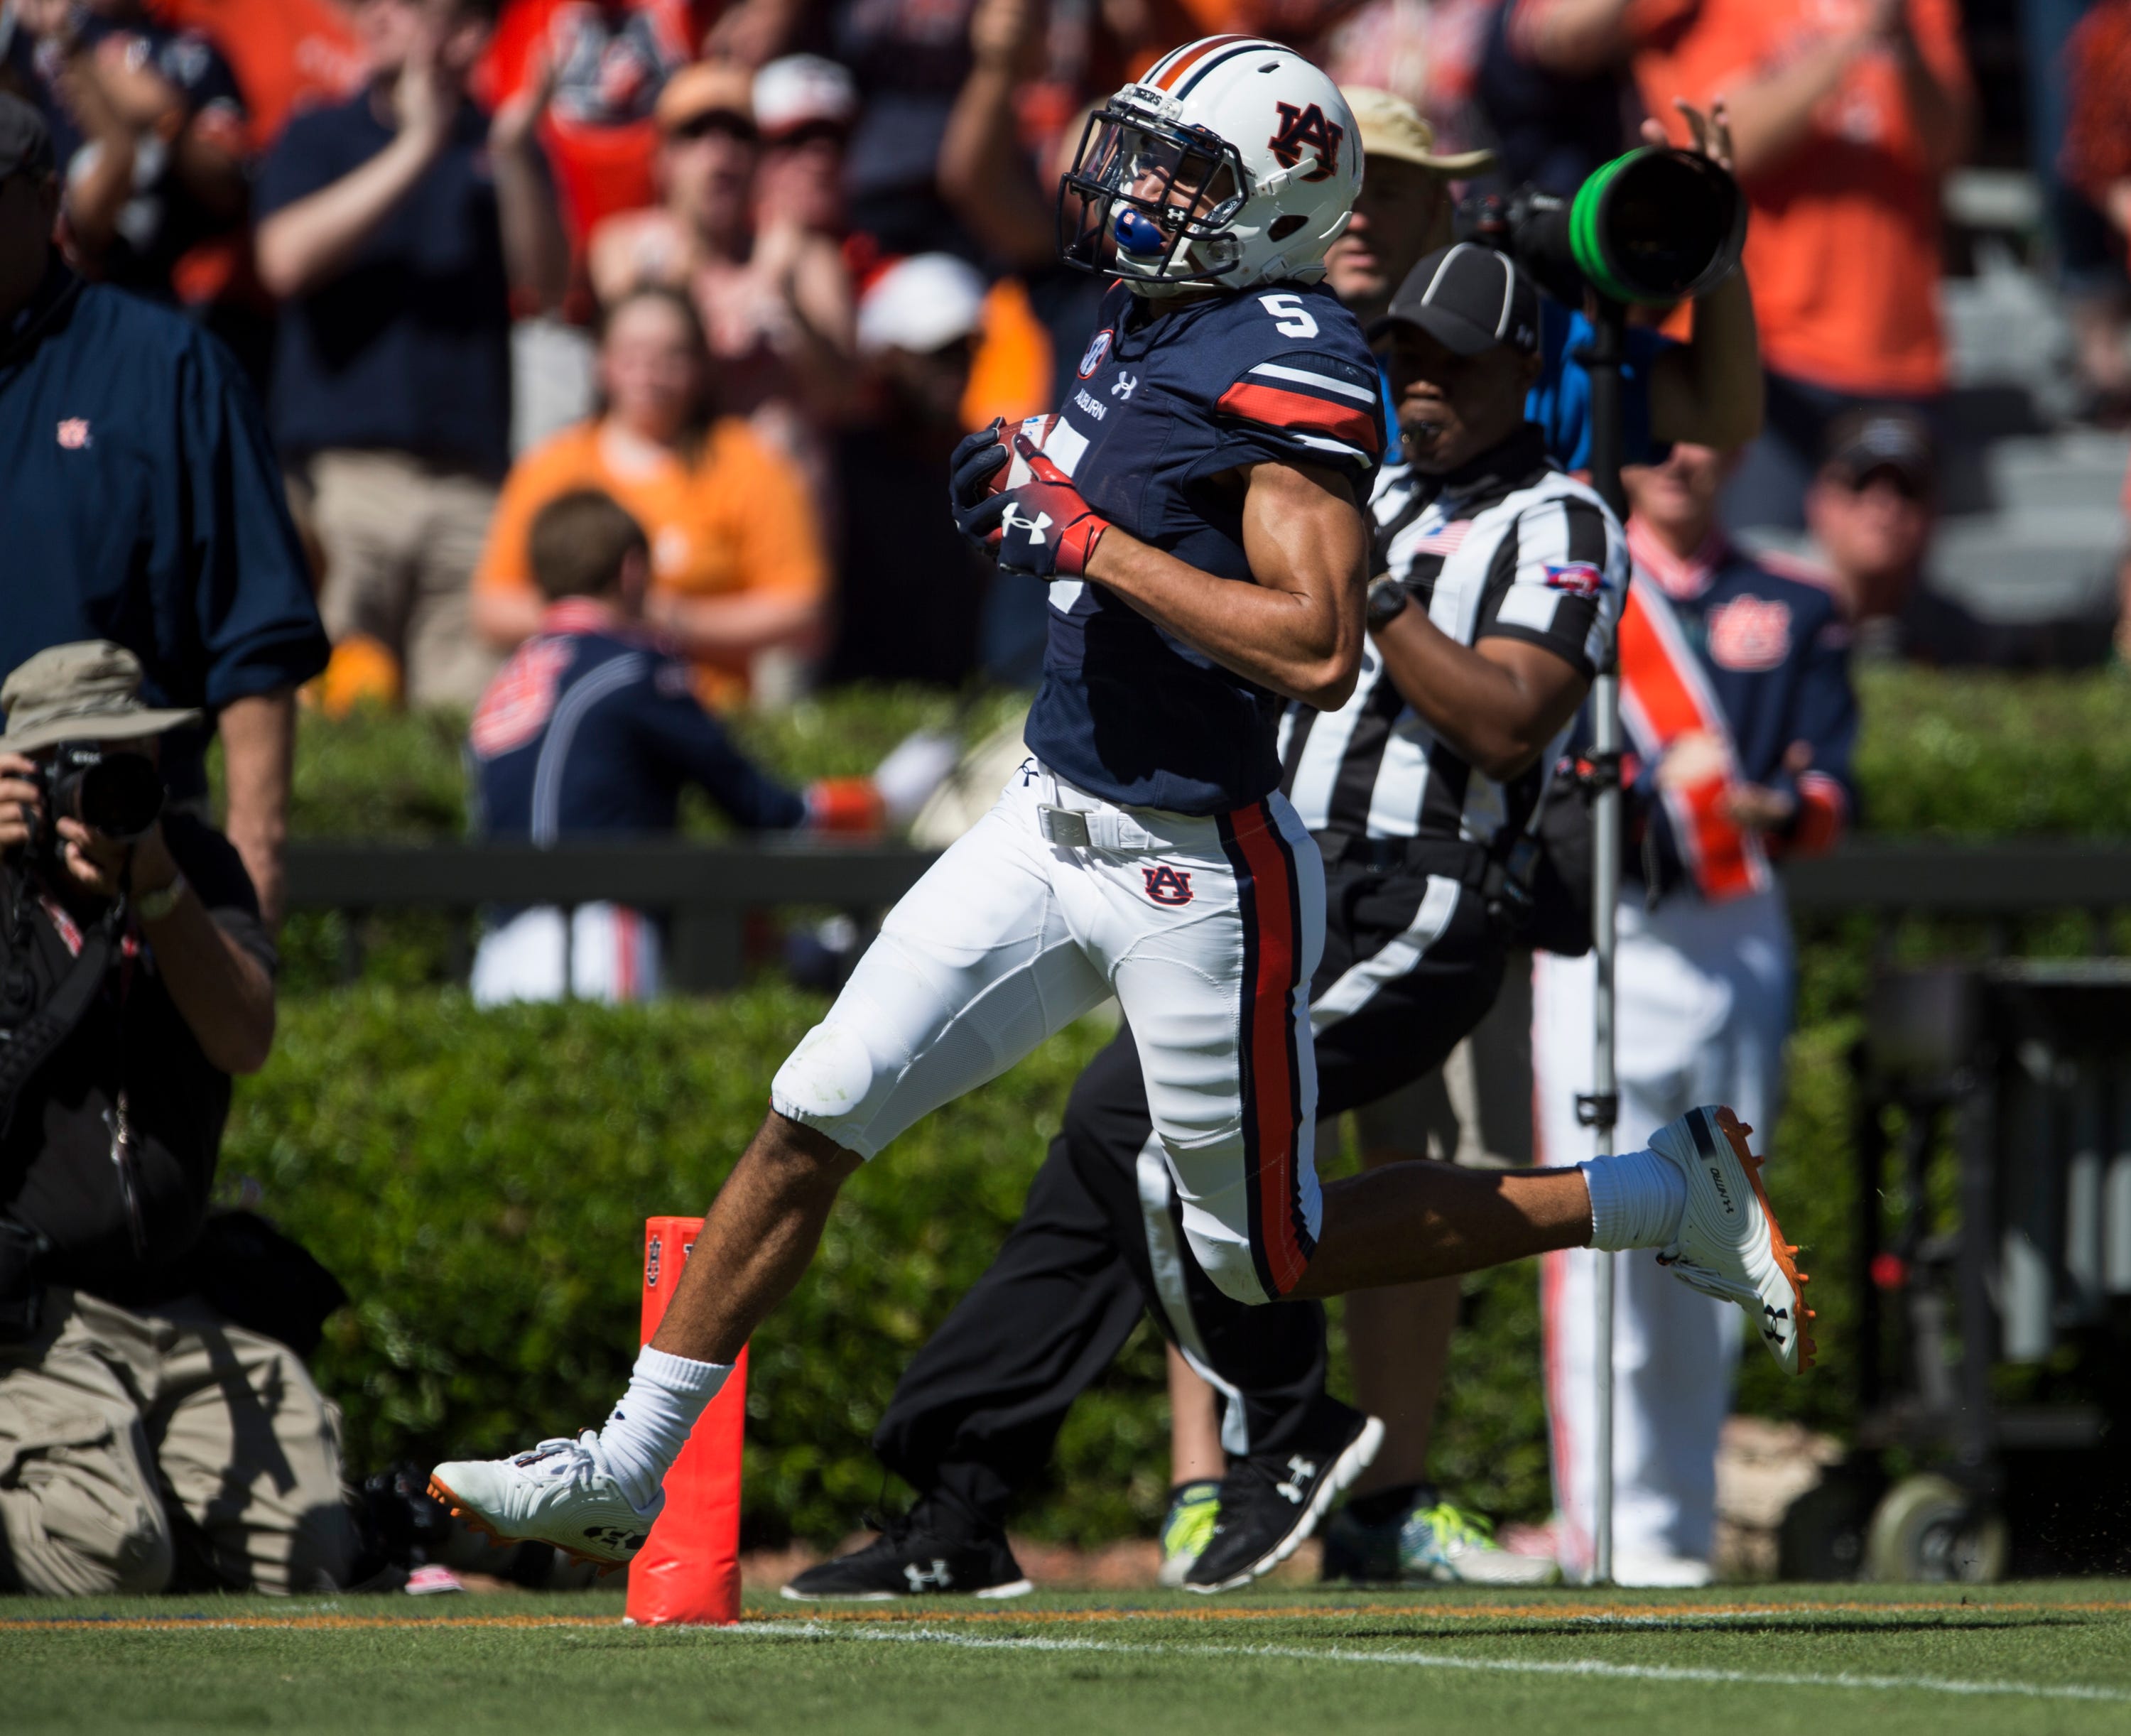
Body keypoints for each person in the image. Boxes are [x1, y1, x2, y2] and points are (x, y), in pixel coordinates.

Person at [427, 38, 1809, 1575]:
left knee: (1267, 1251)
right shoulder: (1153, 310)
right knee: (817, 1102)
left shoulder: (1291, 351)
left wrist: (1083, 540)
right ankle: (630, 1459)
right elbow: (1104, 495)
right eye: (1145, 153)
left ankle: (1654, 1193)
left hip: (1201, 863)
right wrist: (1022, 482)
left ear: (1273, 207)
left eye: (1186, 170)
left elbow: (1316, 639)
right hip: (1047, 813)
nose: (1138, 186)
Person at [786, 241, 1637, 1600]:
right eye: (1407, 354)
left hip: (1421, 892)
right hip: (1276, 866)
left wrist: (1375, 587)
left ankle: (1286, 1434)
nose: (1422, 384)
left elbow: (1506, 716)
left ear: (1525, 374)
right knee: (1099, 1142)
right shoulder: (1345, 463)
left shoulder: (1564, 519)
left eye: (1458, 363)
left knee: (1136, 1135)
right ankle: (958, 1497)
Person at [1535, 438, 1853, 1583]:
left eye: (1702, 430)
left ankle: (1673, 1524)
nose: (1678, 457)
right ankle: (1598, 1527)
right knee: (1594, 1234)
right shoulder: (1568, 586)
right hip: (1609, 929)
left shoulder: (1793, 600)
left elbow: (1831, 793)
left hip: (1735, 935)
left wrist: (1759, 802)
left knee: (1720, 1243)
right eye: (1654, 432)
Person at [0, 641, 352, 1597]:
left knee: (310, 1552)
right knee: (108, 1558)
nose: (105, 782)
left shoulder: (193, 866)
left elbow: (243, 1037)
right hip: (30, 1312)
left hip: (171, 1297)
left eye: (131, 755)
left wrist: (157, 886)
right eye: (77, 761)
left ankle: (133, 1494)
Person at [0, 93, 327, 928]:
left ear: (46, 202)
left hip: (118, 860)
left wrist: (250, 879)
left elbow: (257, 642)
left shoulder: (167, 369)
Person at [254, 0, 569, 711]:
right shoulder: (319, 134)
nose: (377, 19)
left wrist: (516, 156)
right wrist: (417, 145)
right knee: (334, 701)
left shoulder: (502, 143)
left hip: (472, 480)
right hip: (344, 477)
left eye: (408, 6)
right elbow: (282, 261)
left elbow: (547, 285)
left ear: (467, 35)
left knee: (465, 713)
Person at [469, 489, 870, 1004]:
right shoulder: (634, 666)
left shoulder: (505, 682)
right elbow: (760, 807)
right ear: (632, 570)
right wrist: (870, 803)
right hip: (598, 933)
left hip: (498, 948)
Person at [1632, 0, 1973, 533]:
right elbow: (1726, 141)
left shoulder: (1922, 8)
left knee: (1884, 602)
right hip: (1768, 350)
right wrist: (1854, 41)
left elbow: (1947, 147)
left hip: (1898, 349)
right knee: (1764, 571)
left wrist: (1901, 38)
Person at [470, 285, 828, 710]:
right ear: (602, 361)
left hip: (705, 710)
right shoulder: (552, 468)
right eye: (632, 355)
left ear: (700, 367)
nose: (648, 373)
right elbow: (492, 608)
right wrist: (600, 619)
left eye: (670, 357)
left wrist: (671, 620)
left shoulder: (748, 463)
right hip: (571, 711)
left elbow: (802, 609)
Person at [585, 60, 855, 477]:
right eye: (697, 134)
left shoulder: (807, 258)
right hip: (676, 497)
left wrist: (787, 300)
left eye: (739, 135)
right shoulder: (625, 247)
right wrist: (747, 281)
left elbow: (840, 396)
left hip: (782, 504)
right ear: (663, 158)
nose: (721, 153)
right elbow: (646, 372)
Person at [1, 0, 250, 303]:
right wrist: (65, 45)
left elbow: (230, 191)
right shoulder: (33, 31)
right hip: (55, 279)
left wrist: (167, 118)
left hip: (168, 290)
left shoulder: (193, 51)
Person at [824, 252, 993, 688]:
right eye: (937, 354)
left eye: (965, 350)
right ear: (887, 358)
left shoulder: (981, 464)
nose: (956, 370)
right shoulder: (839, 464)